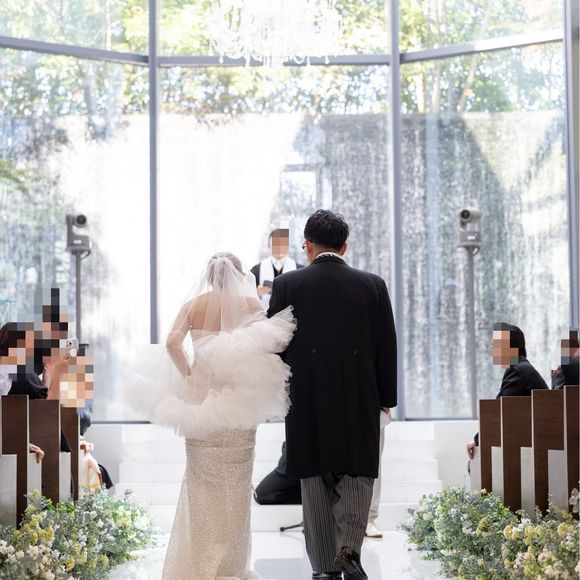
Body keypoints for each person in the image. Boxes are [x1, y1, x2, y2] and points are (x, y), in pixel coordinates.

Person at [126, 252, 295, 580]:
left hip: (200, 401)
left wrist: (190, 372)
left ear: (209, 277)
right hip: (238, 403)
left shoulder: (195, 305)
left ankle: (198, 567)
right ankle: (231, 567)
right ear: (240, 276)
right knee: (237, 488)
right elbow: (265, 350)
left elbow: (173, 342)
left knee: (200, 486)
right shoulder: (251, 305)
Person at [267, 210, 397, 580]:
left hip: (306, 397)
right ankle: (349, 549)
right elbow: (386, 346)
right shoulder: (373, 285)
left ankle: (324, 568)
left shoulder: (287, 284)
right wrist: (386, 399)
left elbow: (274, 345)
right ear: (345, 247)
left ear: (307, 245)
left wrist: (281, 392)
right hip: (359, 395)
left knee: (314, 480)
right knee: (357, 473)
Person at [467, 322, 549, 458]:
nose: (492, 349)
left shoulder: (517, 370)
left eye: (495, 345)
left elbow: (500, 410)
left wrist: (477, 440)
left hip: (536, 444)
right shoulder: (522, 367)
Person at [251, 228, 304, 310]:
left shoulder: (300, 270)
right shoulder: (256, 270)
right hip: (264, 314)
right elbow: (246, 296)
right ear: (269, 245)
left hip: (292, 315)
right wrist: (256, 293)